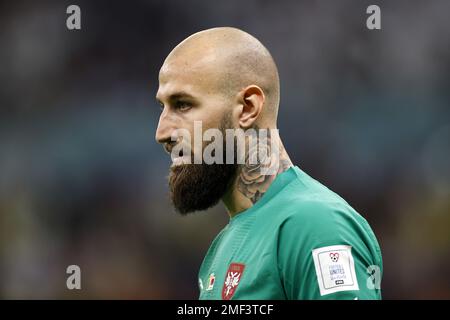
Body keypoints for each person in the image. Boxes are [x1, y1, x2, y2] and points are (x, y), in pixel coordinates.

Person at [155, 27, 382, 300]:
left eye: (182, 105)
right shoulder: (223, 246)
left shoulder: (315, 226)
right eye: (162, 107)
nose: (162, 132)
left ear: (248, 108)